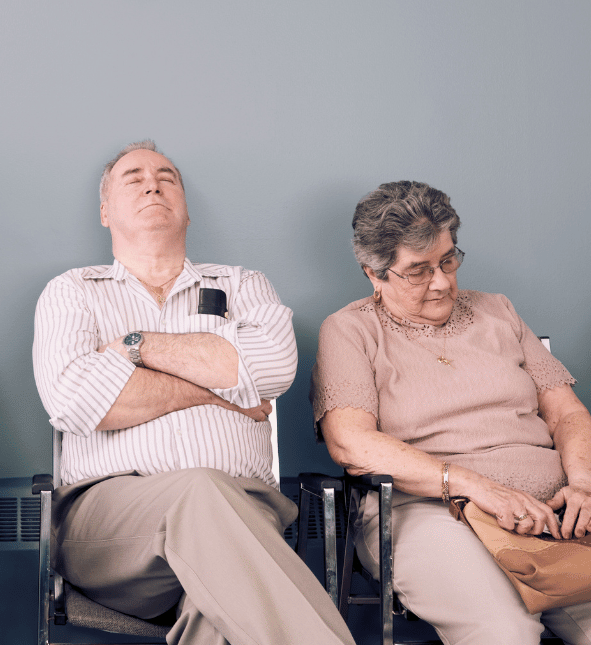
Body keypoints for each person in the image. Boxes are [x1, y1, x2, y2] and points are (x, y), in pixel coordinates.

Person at [33, 140, 355, 645]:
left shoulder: (244, 284)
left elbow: (272, 369)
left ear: (185, 209)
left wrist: (133, 348)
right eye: (132, 176)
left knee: (218, 606)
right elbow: (74, 401)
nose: (152, 182)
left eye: (167, 176)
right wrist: (218, 389)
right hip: (108, 523)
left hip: (248, 507)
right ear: (104, 211)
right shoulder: (73, 291)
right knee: (199, 491)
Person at [312, 180, 591, 643]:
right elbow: (351, 441)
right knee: (504, 631)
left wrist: (582, 483)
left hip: (554, 513)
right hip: (428, 514)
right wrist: (479, 488)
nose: (442, 281)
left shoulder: (497, 310)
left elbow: (566, 413)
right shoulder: (349, 330)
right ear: (374, 274)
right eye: (418, 271)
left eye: (447, 260)